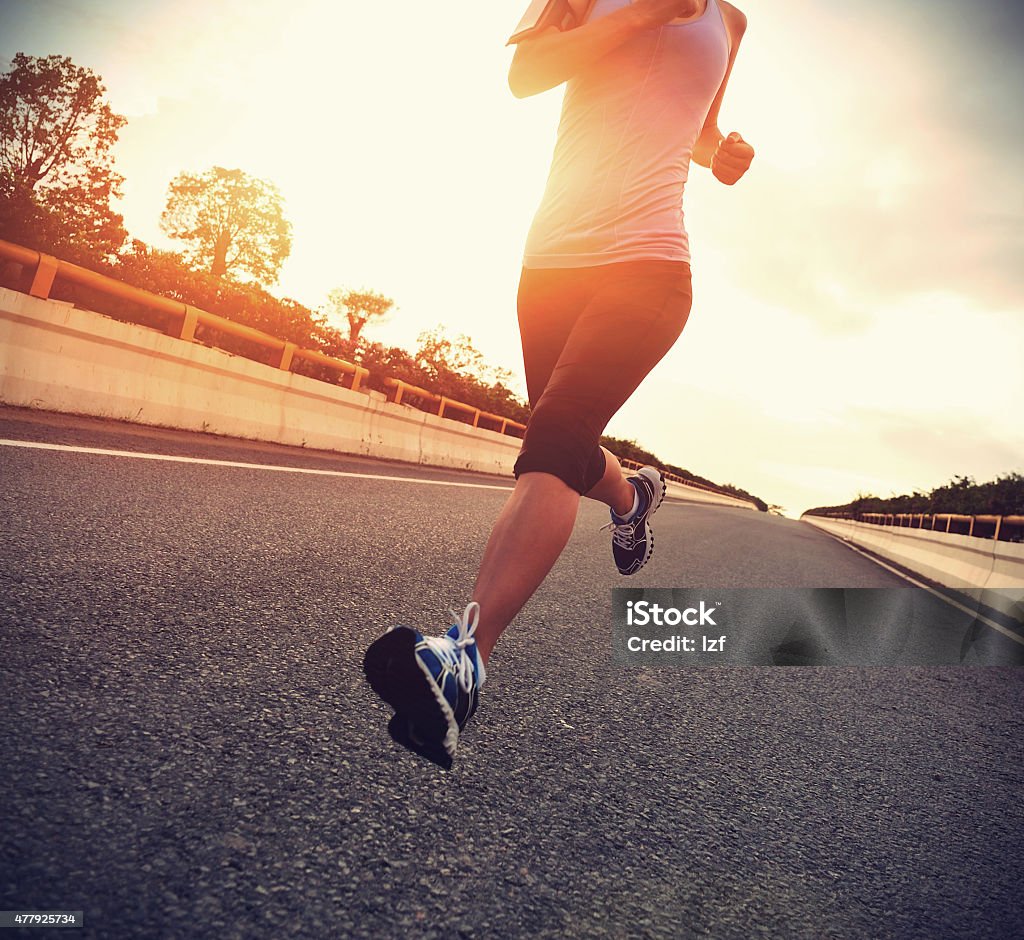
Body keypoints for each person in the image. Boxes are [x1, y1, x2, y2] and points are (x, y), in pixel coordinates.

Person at [364, 0, 755, 767]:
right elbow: (528, 73)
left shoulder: (731, 21)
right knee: (561, 442)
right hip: (550, 263)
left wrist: (723, 153)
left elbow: (700, 125)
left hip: (651, 263)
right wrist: (642, 14)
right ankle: (632, 497)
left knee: (555, 435)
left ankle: (464, 660)